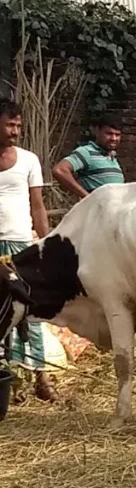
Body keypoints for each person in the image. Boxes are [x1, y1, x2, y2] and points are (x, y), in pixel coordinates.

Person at [0, 98, 56, 402]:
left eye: (19, 125)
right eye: (10, 124)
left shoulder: (28, 160)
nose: (16, 131)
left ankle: (41, 378)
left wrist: (45, 245)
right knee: (2, 317)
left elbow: (38, 205)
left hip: (21, 244)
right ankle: (12, 380)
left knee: (30, 312)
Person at [52, 114, 124, 198]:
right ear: (97, 131)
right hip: (97, 209)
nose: (114, 138)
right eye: (109, 133)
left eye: (117, 135)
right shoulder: (86, 152)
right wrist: (88, 198)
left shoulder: (112, 157)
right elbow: (59, 170)